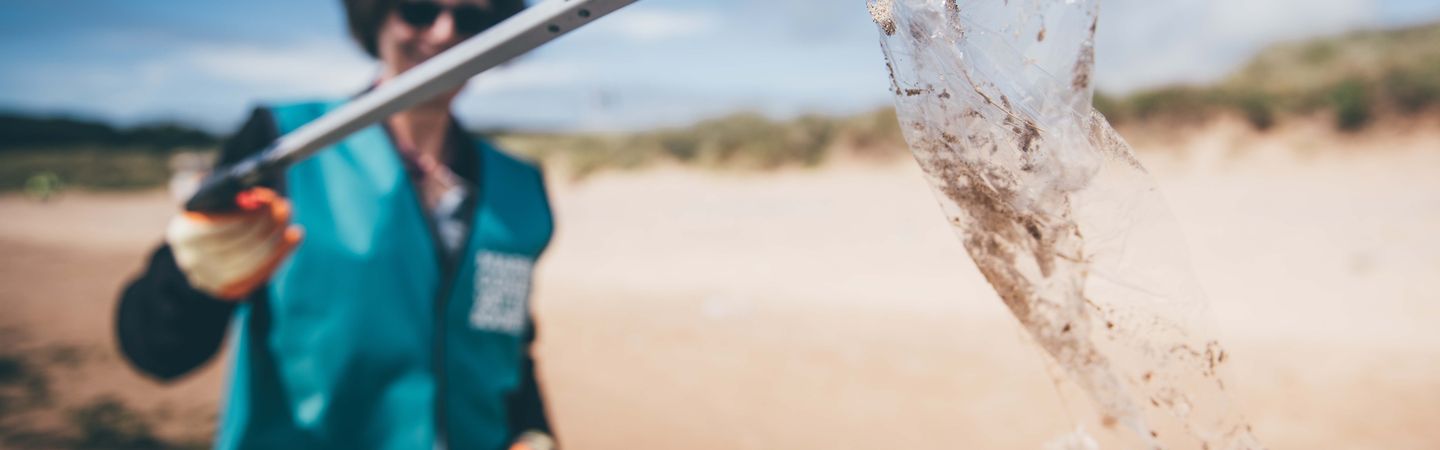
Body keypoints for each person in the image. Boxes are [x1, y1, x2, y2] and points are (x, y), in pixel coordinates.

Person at [114, 1, 558, 449]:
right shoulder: (284, 144)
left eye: (471, 19)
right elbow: (157, 350)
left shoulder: (518, 187)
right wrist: (196, 278)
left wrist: (535, 431)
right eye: (420, 9)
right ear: (378, 16)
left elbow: (503, 341)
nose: (444, 33)